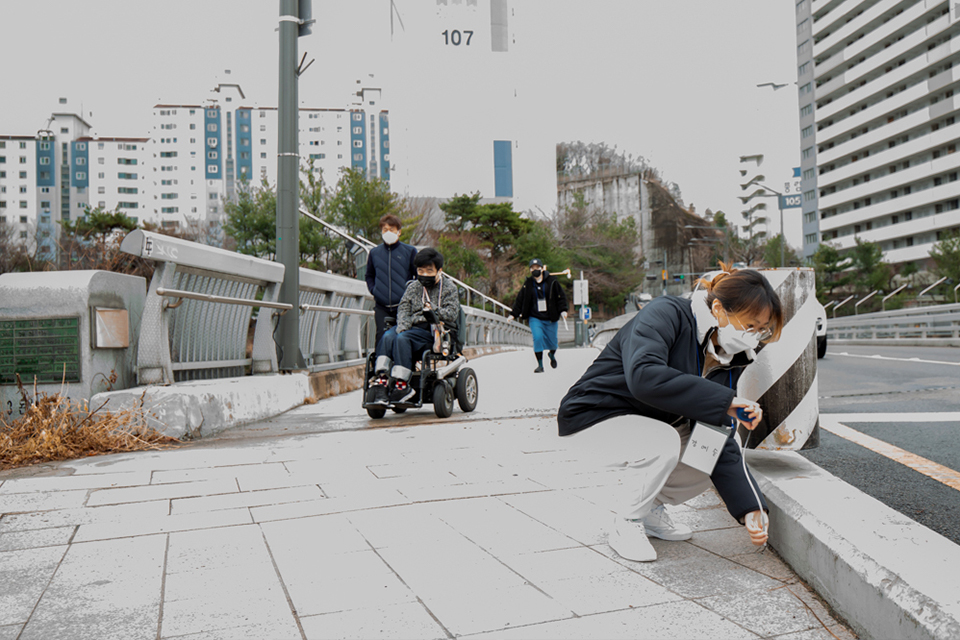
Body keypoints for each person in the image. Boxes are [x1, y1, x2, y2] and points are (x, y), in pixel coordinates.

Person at [557, 263, 783, 562]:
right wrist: (725, 400)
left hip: (647, 422)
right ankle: (627, 522)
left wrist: (752, 507)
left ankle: (648, 509)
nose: (753, 336)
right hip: (593, 416)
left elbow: (716, 429)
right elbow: (644, 376)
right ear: (718, 309)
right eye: (749, 325)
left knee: (709, 450)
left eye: (760, 330)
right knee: (663, 441)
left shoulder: (729, 357)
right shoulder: (666, 313)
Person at [366, 248, 461, 405]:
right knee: (389, 336)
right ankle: (381, 382)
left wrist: (433, 311)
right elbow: (403, 308)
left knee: (402, 338)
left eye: (429, 270)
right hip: (410, 326)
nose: (423, 274)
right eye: (420, 270)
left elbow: (451, 313)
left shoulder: (449, 288)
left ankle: (403, 385)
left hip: (432, 329)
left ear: (439, 270)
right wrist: (402, 326)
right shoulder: (413, 287)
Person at [365, 214, 418, 348]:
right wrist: (374, 290)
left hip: (404, 306)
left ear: (399, 232)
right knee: (380, 337)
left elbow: (417, 276)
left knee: (403, 337)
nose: (388, 232)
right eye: (385, 229)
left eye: (391, 229)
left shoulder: (410, 251)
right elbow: (369, 275)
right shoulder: (374, 253)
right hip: (381, 306)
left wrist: (411, 296)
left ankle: (404, 366)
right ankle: (380, 366)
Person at [509, 258, 569, 373]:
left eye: (537, 268)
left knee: (553, 343)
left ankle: (551, 355)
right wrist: (513, 314)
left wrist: (563, 310)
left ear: (542, 268)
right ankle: (540, 365)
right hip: (535, 317)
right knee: (537, 337)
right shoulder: (528, 284)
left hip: (550, 317)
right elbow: (520, 300)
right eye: (532, 268)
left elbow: (561, 297)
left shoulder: (552, 282)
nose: (535, 270)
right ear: (530, 270)